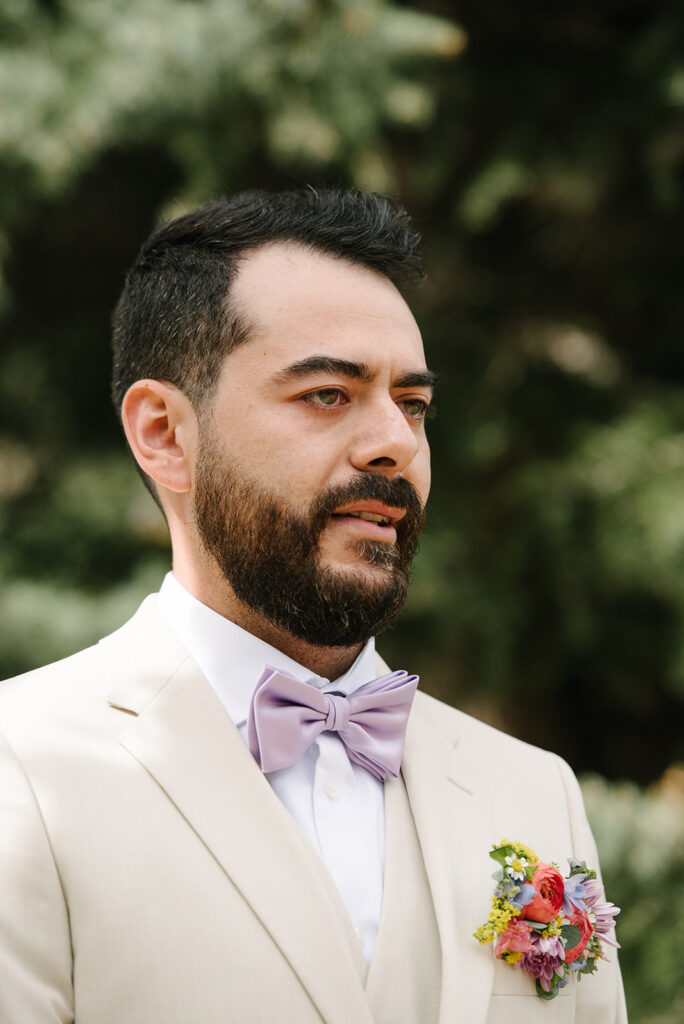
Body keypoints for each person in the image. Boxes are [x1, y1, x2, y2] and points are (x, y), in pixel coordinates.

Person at [0, 189, 626, 1023]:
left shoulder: (533, 792)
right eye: (330, 393)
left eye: (413, 404)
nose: (396, 443)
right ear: (164, 433)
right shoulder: (23, 771)